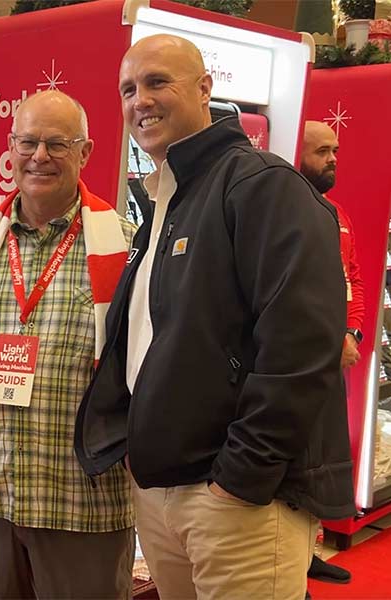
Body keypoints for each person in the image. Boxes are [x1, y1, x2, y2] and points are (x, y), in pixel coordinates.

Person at [74, 34, 355, 600]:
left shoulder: (262, 186)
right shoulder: (167, 201)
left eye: (157, 82)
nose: (140, 100)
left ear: (205, 89)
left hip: (236, 500)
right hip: (164, 491)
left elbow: (303, 347)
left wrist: (242, 476)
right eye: (128, 89)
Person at [0, 90, 136, 599]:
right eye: (28, 143)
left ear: (85, 153)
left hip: (81, 507)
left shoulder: (126, 250)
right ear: (11, 147)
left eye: (57, 144)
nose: (39, 156)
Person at [299, 119, 362, 585]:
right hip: (298, 363)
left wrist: (352, 334)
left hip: (333, 358)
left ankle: (310, 549)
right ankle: (293, 560)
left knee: (321, 461)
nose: (333, 159)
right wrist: (327, 341)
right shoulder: (284, 211)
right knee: (295, 460)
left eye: (335, 150)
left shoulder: (338, 214)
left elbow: (352, 277)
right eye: (322, 151)